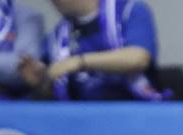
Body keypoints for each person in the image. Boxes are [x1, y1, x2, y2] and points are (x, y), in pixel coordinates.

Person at [35, 0, 166, 100]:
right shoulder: (58, 35)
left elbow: (139, 58)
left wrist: (79, 62)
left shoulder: (129, 10)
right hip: (82, 121)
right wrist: (40, 81)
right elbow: (54, 87)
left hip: (135, 113)